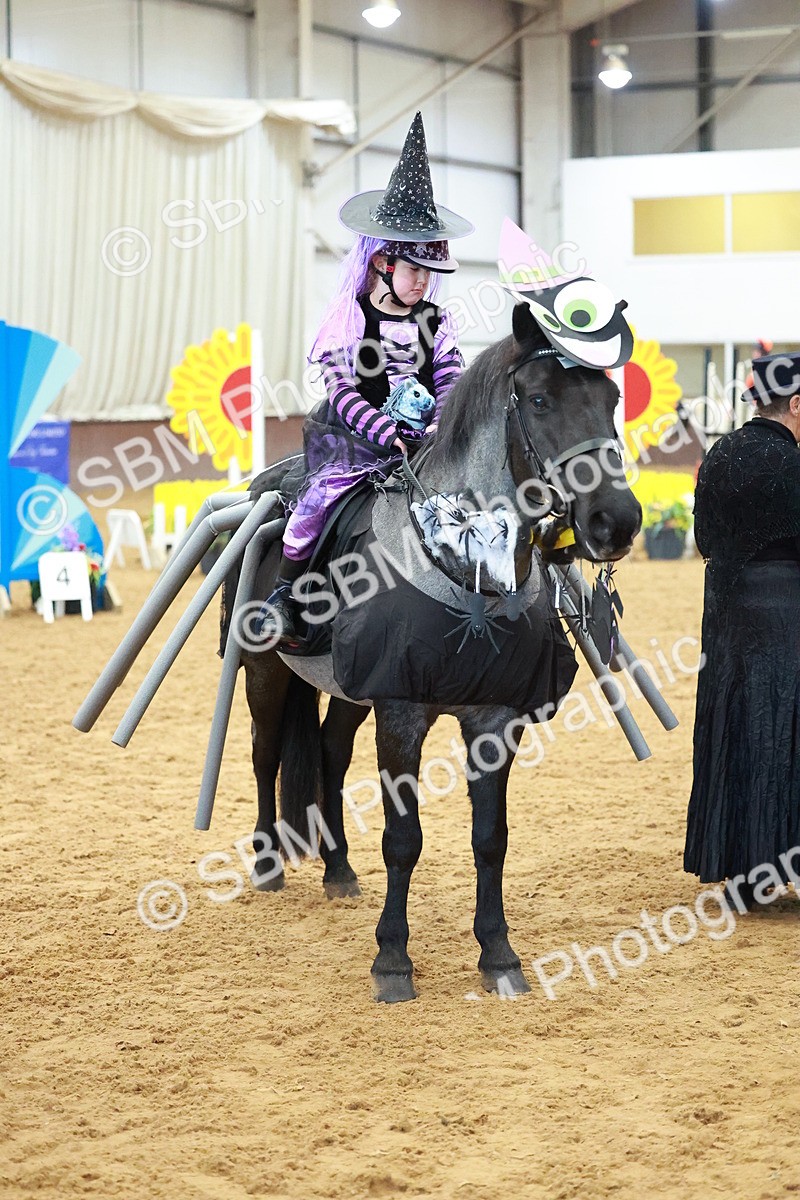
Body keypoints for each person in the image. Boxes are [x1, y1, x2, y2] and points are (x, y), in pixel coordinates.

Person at [261, 112, 473, 643]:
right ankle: (285, 596)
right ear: (382, 262)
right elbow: (342, 391)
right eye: (414, 270)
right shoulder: (347, 318)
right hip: (354, 444)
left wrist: (438, 426)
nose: (423, 282)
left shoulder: (436, 320)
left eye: (429, 272)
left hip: (425, 445)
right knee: (316, 502)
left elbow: (450, 379)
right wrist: (385, 430)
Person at [684, 351, 800, 910]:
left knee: (736, 730)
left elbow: (704, 539)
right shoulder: (792, 463)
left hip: (727, 618)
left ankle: (745, 876)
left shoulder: (720, 454)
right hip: (786, 616)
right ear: (796, 404)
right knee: (783, 733)